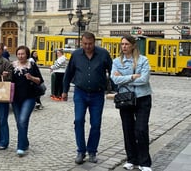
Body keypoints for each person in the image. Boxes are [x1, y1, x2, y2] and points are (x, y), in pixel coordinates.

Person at [62, 32, 113, 164]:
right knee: (78, 121)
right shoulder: (76, 55)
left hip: (97, 94)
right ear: (81, 43)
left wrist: (115, 89)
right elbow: (69, 73)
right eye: (85, 44)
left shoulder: (103, 54)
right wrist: (64, 91)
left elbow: (113, 71)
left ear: (94, 42)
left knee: (95, 124)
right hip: (80, 93)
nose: (88, 46)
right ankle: (80, 151)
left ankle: (92, 151)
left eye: (90, 44)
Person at [110, 35, 152, 171]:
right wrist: (132, 76)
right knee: (128, 130)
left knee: (141, 129)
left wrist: (124, 78)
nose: (124, 46)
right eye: (122, 44)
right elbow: (114, 79)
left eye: (127, 44)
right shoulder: (117, 61)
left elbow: (144, 79)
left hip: (142, 97)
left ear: (133, 45)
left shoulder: (143, 60)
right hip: (125, 98)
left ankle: (144, 162)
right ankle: (131, 159)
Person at [11, 46, 43, 156]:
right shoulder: (13, 66)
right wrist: (5, 75)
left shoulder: (31, 65)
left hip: (29, 97)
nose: (20, 56)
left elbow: (40, 80)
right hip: (15, 98)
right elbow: (9, 81)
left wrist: (31, 78)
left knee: (23, 120)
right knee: (19, 122)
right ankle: (25, 142)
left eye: (22, 54)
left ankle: (20, 147)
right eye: (18, 54)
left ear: (27, 54)